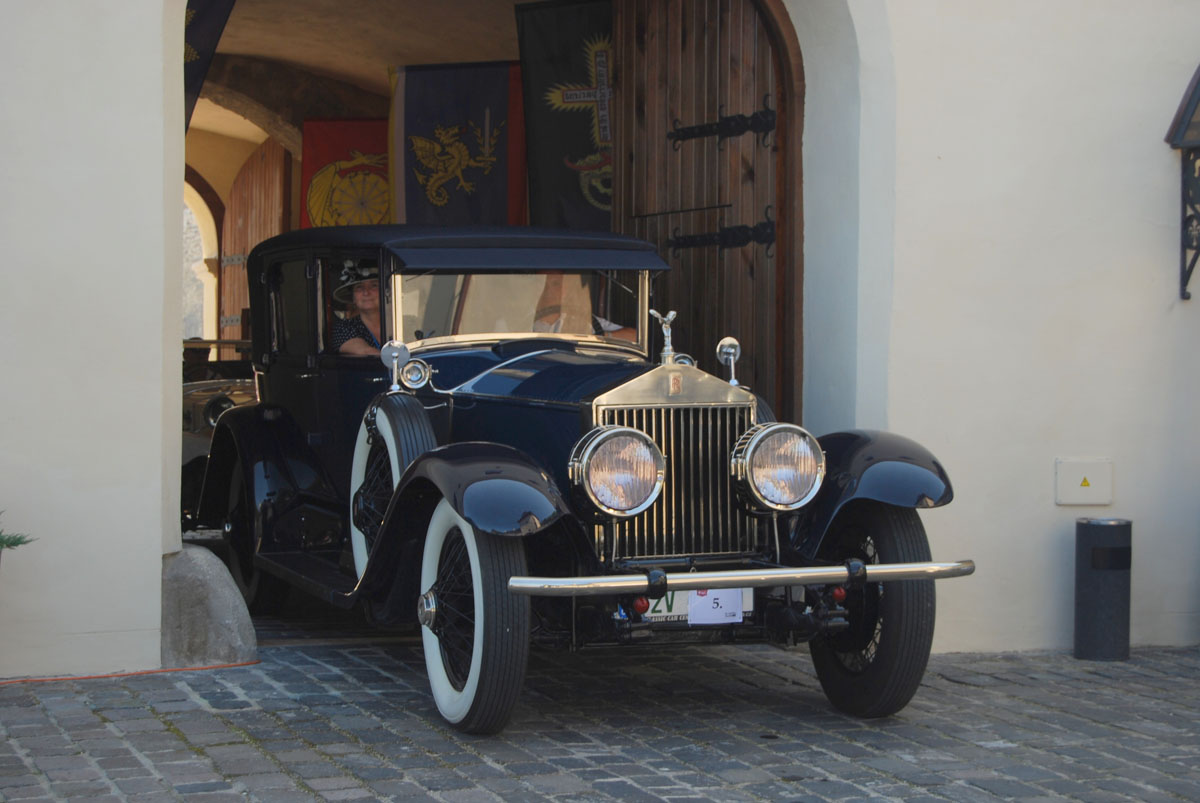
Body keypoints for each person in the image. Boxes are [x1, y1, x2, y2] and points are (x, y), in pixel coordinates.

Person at [330, 263, 383, 356]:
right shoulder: (345, 328)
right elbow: (366, 352)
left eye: (374, 285)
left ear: (386, 291)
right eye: (359, 287)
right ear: (353, 298)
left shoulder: (402, 323)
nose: (366, 292)